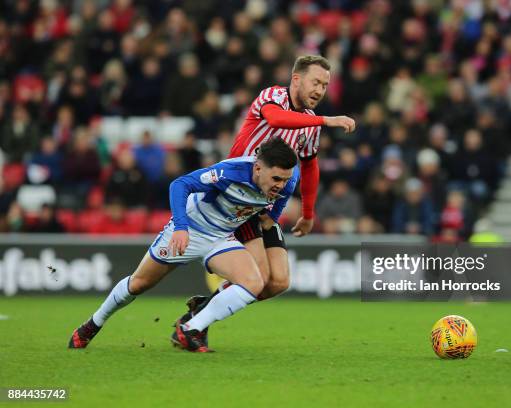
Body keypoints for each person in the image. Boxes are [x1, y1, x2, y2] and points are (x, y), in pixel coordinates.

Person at [68, 139, 299, 352]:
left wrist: (273, 217)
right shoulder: (230, 173)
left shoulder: (288, 180)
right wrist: (180, 227)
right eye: (276, 179)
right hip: (191, 230)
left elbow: (282, 198)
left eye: (285, 179)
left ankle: (190, 329)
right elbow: (180, 185)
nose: (281, 184)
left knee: (253, 283)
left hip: (221, 237)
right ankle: (93, 323)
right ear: (258, 168)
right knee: (139, 284)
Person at [173, 55, 355, 325]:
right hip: (237, 199)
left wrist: (307, 212)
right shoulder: (273, 97)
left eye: (325, 85)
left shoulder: (310, 122)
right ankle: (193, 327)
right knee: (256, 279)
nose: (319, 90)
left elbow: (309, 166)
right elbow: (277, 119)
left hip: (267, 207)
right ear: (296, 79)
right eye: (315, 82)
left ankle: (202, 308)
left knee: (278, 282)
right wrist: (327, 121)